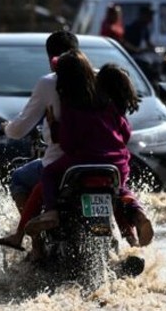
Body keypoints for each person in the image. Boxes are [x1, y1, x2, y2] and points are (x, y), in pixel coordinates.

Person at [26, 57, 153, 247]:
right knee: (120, 191)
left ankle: (51, 212)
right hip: (115, 164)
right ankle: (135, 226)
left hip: (81, 161)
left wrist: (54, 127)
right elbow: (125, 134)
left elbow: (68, 144)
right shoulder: (110, 105)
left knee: (49, 174)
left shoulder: (71, 104)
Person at [0, 30, 80, 262]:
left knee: (20, 179)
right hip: (104, 160)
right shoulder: (99, 78)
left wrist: (6, 128)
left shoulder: (50, 82)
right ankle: (130, 239)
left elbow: (20, 129)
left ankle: (37, 247)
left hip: (63, 161)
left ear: (51, 58)